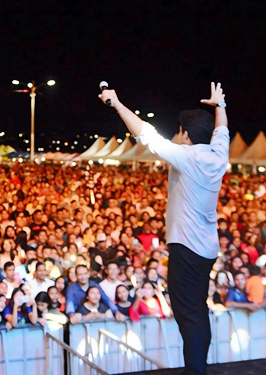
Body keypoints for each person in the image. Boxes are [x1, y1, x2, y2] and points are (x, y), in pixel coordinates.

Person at [100, 82, 228, 375]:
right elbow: (222, 129)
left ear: (185, 135)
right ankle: (199, 368)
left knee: (188, 316)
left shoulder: (188, 156)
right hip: (206, 247)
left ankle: (195, 371)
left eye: (179, 130)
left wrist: (116, 104)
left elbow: (145, 134)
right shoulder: (218, 152)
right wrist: (220, 106)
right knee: (197, 311)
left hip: (186, 248)